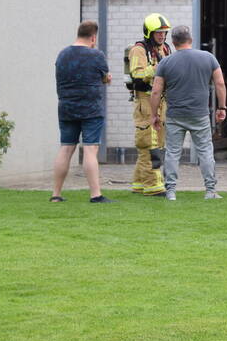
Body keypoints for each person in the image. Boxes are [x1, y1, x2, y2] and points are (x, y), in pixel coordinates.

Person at [149, 25, 226, 201]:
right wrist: (222, 107)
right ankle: (210, 190)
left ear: (174, 42)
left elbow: (155, 92)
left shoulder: (166, 62)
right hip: (199, 114)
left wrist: (154, 115)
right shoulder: (208, 58)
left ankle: (171, 192)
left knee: (173, 153)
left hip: (175, 115)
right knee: (205, 151)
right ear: (190, 40)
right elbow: (220, 84)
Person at [51, 20, 114, 203]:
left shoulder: (62, 55)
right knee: (90, 148)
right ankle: (95, 194)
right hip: (91, 109)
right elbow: (104, 77)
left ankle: (56, 194)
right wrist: (106, 79)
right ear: (93, 37)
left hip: (66, 108)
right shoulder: (96, 55)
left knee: (66, 148)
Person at [128, 13, 172, 196]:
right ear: (149, 33)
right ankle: (154, 186)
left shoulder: (166, 49)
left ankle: (139, 184)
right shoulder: (139, 50)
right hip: (145, 101)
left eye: (164, 32)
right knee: (149, 145)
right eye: (158, 33)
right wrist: (156, 68)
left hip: (161, 101)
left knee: (157, 144)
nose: (162, 36)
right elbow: (136, 74)